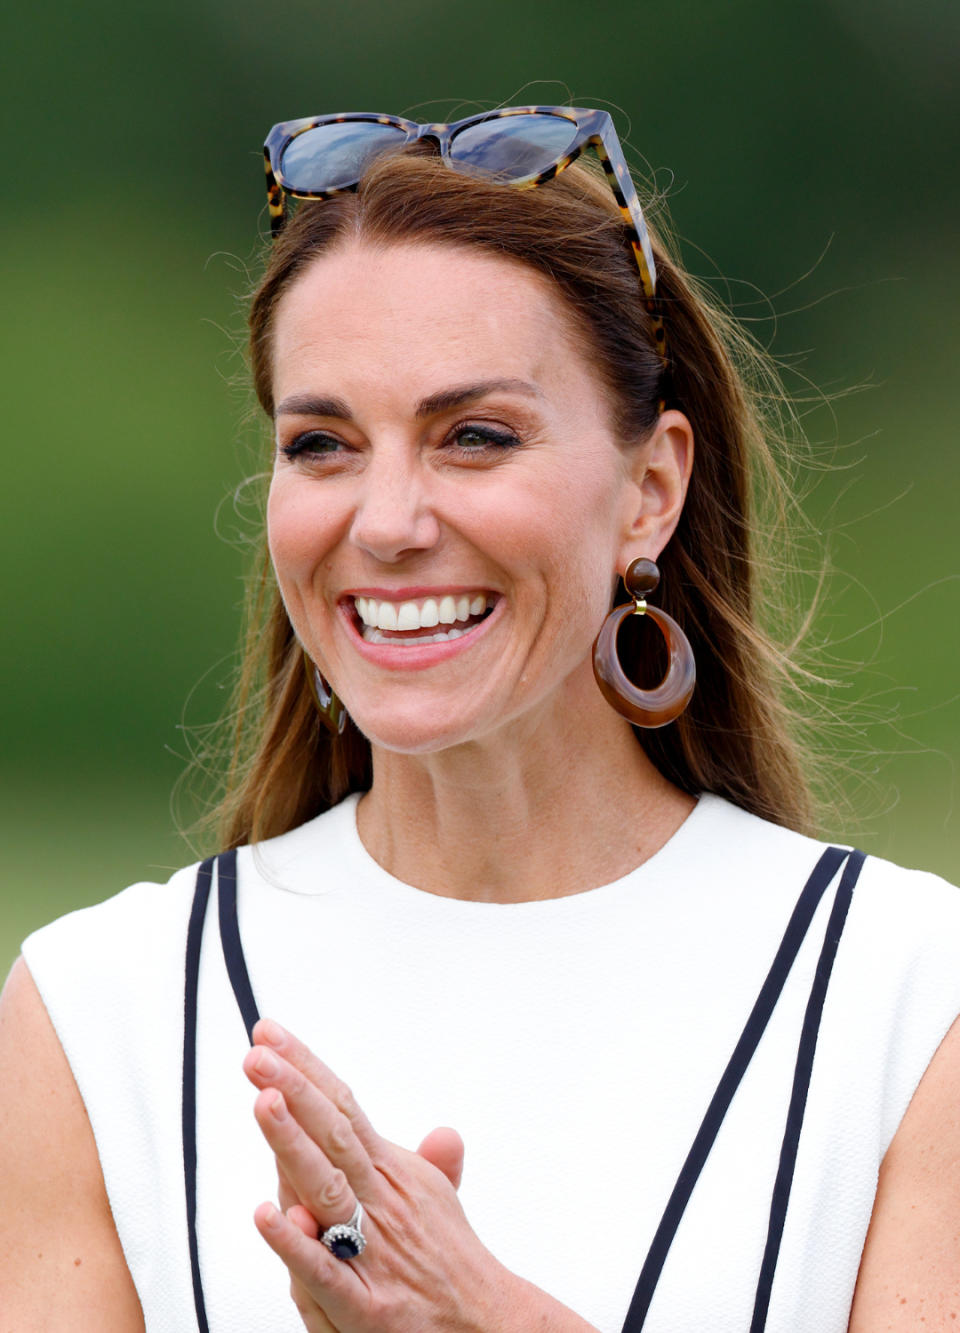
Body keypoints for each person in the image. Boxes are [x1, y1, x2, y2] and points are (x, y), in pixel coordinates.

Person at [1, 106, 958, 1333]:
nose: (389, 520)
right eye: (323, 443)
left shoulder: (904, 995)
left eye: (475, 437)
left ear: (650, 492)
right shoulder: (101, 1013)